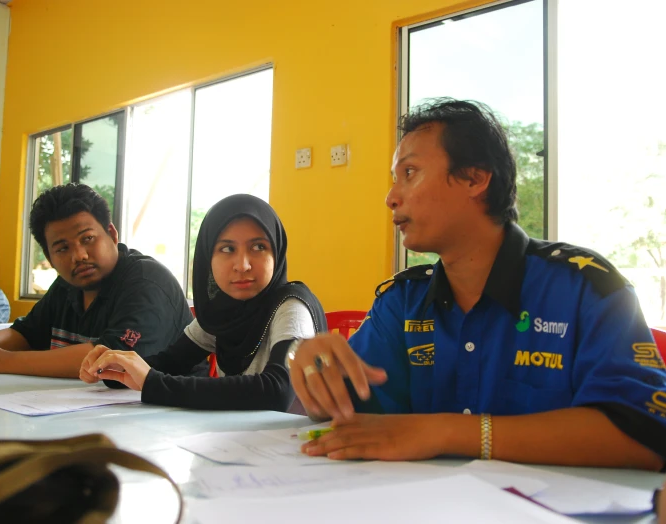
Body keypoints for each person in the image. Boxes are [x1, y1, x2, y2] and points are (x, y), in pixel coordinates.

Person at [289, 98, 666, 470]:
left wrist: (446, 433)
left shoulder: (584, 288)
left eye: (409, 173)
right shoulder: (403, 302)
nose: (391, 197)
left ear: (475, 178)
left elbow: (644, 432)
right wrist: (314, 379)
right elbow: (349, 416)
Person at [79, 194, 326, 411]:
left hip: (293, 449)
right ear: (208, 257)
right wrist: (115, 367)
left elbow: (278, 390)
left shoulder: (291, 307)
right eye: (227, 249)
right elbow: (170, 362)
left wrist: (154, 384)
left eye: (259, 247)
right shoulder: (221, 311)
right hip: (237, 443)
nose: (242, 265)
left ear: (277, 252)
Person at [0, 184, 193, 378]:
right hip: (81, 417)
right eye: (62, 248)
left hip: (168, 428)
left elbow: (109, 358)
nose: (79, 255)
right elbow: (26, 334)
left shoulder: (147, 281)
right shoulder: (68, 286)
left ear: (111, 234)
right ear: (49, 257)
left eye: (87, 238)